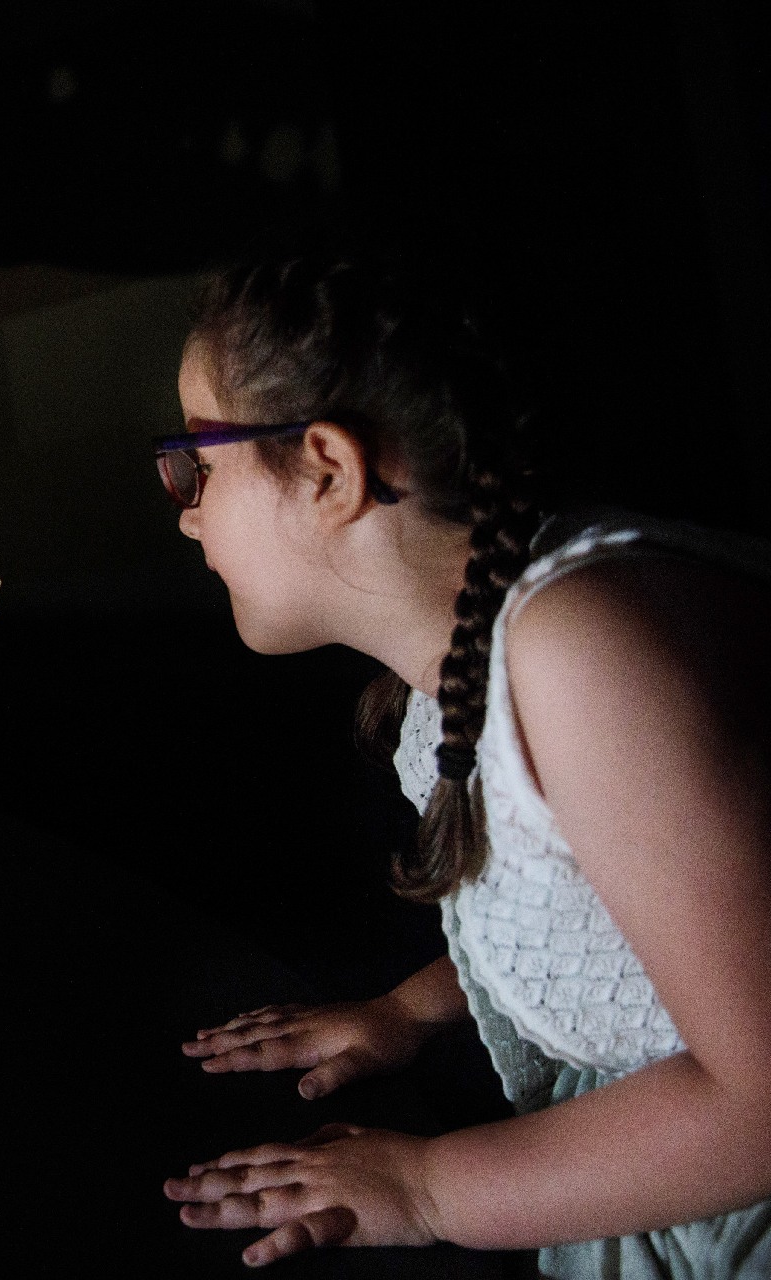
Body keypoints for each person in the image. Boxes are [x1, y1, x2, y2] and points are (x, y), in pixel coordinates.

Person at [155, 257, 771, 1276]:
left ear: (326, 468)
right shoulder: (453, 679)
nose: (183, 507)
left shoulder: (582, 651)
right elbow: (628, 913)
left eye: (196, 462)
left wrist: (428, 1186)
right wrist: (409, 1009)